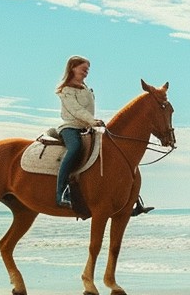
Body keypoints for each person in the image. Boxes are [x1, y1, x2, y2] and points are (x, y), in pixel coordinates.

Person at [53, 55, 155, 216]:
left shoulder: (85, 88)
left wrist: (92, 123)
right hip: (71, 128)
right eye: (83, 69)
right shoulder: (66, 90)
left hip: (89, 128)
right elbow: (76, 110)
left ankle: (133, 199)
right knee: (75, 149)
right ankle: (61, 192)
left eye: (87, 70)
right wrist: (92, 121)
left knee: (119, 154)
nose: (86, 72)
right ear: (72, 68)